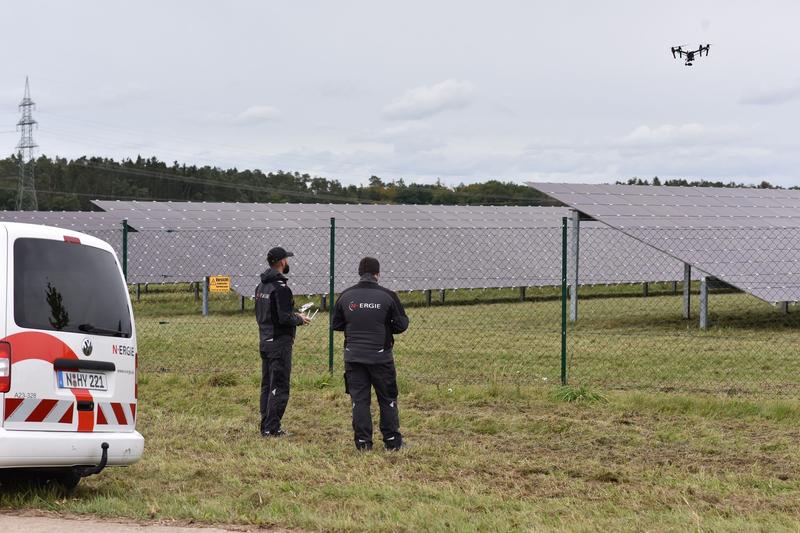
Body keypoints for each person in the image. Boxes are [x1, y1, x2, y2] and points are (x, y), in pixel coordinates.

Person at [332, 257, 409, 451]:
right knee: (387, 398)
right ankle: (392, 442)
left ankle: (363, 443)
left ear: (359, 273)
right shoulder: (388, 295)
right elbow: (402, 325)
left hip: (353, 357)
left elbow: (336, 324)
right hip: (380, 357)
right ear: (377, 274)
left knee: (359, 400)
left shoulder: (345, 295)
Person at [255, 246, 310, 437]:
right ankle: (272, 428)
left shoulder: (261, 286)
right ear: (282, 262)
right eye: (287, 259)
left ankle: (266, 425)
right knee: (279, 385)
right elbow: (283, 318)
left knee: (267, 385)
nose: (288, 262)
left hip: (265, 339)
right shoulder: (281, 288)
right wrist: (299, 319)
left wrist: (292, 315)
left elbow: (271, 313)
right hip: (279, 343)